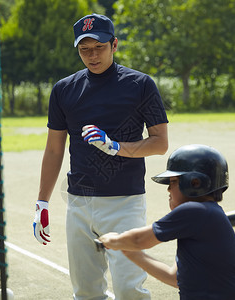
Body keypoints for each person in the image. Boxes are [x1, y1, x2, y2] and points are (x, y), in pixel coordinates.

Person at [32, 13, 169, 300]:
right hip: (78, 202)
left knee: (129, 289)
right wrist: (42, 201)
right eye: (85, 50)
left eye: (99, 48)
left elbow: (160, 143)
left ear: (114, 45)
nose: (92, 55)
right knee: (86, 291)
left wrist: (117, 146)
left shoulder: (140, 85)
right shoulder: (64, 90)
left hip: (125, 202)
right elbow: (55, 148)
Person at [99, 144, 235, 300]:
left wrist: (112, 239)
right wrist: (132, 254)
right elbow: (175, 277)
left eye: (173, 182)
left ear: (195, 183)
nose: (168, 190)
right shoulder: (205, 215)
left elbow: (139, 240)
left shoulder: (194, 211)